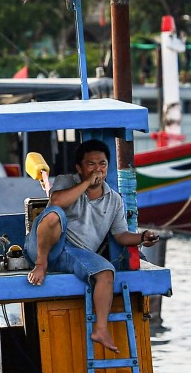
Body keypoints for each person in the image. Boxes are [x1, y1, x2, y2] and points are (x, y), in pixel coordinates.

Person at [25, 139, 159, 353]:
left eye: (103, 164)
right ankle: (41, 265)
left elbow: (121, 236)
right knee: (54, 214)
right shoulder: (65, 181)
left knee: (106, 272)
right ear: (79, 168)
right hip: (45, 248)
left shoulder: (114, 199)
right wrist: (87, 183)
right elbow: (56, 201)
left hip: (75, 255)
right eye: (91, 164)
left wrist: (143, 237)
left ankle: (101, 329)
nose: (98, 169)